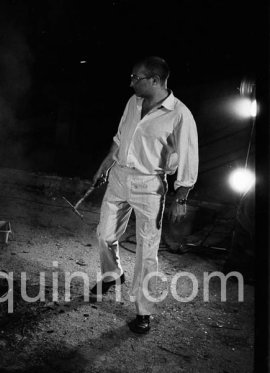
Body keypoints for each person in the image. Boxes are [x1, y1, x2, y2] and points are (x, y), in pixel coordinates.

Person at [89, 56, 198, 334]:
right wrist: (105, 164)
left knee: (147, 249)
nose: (131, 82)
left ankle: (143, 310)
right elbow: (119, 137)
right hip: (119, 177)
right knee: (104, 234)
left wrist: (181, 196)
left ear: (155, 80)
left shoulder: (179, 114)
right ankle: (113, 274)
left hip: (150, 184)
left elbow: (188, 158)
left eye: (136, 78)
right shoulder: (133, 102)